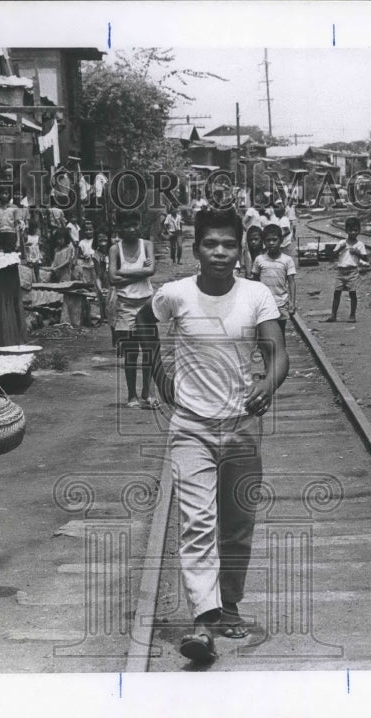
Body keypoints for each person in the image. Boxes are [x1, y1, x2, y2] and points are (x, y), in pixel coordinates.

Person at [135, 208, 289, 662]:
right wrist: (160, 376)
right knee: (197, 522)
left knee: (237, 524)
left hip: (241, 427)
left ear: (241, 248)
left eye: (228, 244)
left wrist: (268, 382)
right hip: (191, 429)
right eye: (210, 244)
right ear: (196, 247)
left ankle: (230, 604)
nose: (219, 253)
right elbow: (144, 322)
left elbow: (278, 354)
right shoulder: (175, 294)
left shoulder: (257, 295)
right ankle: (203, 621)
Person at [108, 210, 158, 410]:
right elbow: (112, 278)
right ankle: (132, 394)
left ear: (140, 225)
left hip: (146, 303)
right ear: (119, 229)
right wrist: (140, 273)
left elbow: (151, 270)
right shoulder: (115, 249)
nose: (131, 229)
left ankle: (148, 392)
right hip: (125, 304)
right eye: (127, 226)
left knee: (149, 350)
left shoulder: (147, 245)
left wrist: (123, 272)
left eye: (134, 225)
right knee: (131, 353)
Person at [251, 223, 297, 335]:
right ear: (264, 242)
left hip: (281, 302)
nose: (271, 243)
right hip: (263, 303)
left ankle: (281, 352)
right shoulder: (259, 260)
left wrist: (292, 302)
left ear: (281, 241)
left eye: (274, 240)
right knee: (264, 334)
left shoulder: (287, 260)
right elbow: (255, 282)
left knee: (280, 333)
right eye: (268, 240)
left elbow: (291, 282)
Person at [327, 216, 370, 323]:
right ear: (346, 231)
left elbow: (365, 258)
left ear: (359, 231)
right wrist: (340, 249)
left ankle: (352, 315)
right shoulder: (342, 243)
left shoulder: (359, 245)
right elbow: (332, 256)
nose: (353, 232)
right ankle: (333, 315)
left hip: (353, 271)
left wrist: (357, 252)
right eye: (351, 230)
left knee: (352, 293)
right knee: (337, 293)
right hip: (341, 271)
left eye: (356, 230)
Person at [76, 226, 107, 324]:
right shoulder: (94, 253)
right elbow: (99, 273)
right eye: (100, 239)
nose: (102, 241)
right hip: (91, 268)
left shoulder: (112, 251)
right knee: (98, 292)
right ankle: (100, 315)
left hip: (108, 275)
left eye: (91, 229)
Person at [0, 187, 21, 253]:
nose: (4, 195)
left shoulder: (14, 207)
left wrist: (18, 241)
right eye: (2, 193)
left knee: (11, 259)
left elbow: (16, 225)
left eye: (6, 193)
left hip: (11, 236)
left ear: (9, 195)